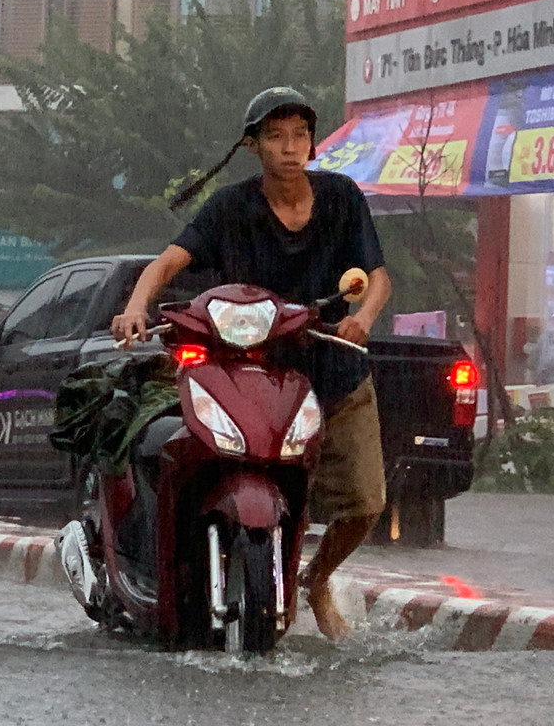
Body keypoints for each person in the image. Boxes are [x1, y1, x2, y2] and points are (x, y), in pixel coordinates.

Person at [110, 87, 393, 641]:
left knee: (367, 501)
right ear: (253, 145)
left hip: (335, 373)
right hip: (256, 378)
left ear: (312, 144)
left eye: (300, 135)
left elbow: (376, 277)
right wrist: (135, 308)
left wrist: (365, 319)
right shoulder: (229, 208)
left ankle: (316, 579)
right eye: (275, 136)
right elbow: (167, 262)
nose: (290, 147)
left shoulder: (342, 197)